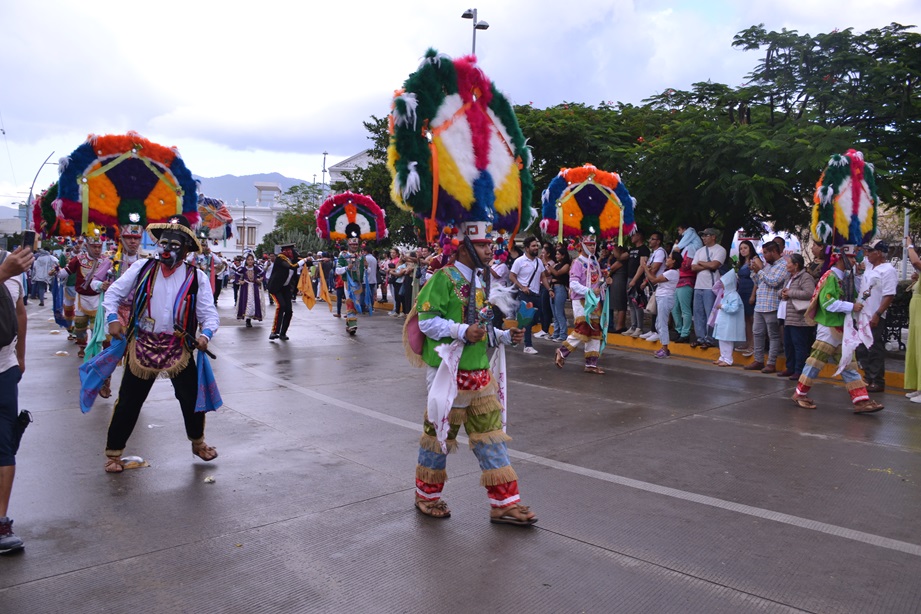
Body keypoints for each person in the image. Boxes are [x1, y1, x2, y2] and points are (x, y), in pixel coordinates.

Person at [410, 221, 535, 526]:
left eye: (490, 244)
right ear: (464, 247)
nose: (490, 250)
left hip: (479, 374)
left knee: (492, 440)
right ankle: (426, 496)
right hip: (447, 373)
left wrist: (504, 337)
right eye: (482, 245)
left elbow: (482, 329)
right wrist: (462, 330)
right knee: (438, 439)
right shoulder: (443, 278)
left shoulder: (481, 281)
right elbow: (426, 321)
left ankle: (505, 504)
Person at [102, 214, 220, 473]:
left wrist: (205, 335)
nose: (166, 249)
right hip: (142, 345)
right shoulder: (141, 268)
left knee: (191, 398)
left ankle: (197, 442)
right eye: (163, 243)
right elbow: (113, 294)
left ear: (186, 250)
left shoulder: (197, 277)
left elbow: (209, 314)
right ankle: (113, 453)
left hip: (179, 347)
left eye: (174, 245)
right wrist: (112, 319)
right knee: (129, 401)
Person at [790, 246, 883, 414]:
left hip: (840, 327)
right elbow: (828, 303)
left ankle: (861, 401)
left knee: (848, 364)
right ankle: (800, 394)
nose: (854, 261)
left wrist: (860, 277)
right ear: (841, 258)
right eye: (851, 258)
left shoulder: (844, 277)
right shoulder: (830, 277)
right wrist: (851, 306)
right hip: (829, 328)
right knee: (815, 363)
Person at [0, 247, 36, 553]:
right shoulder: (7, 267)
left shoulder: (11, 262)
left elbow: (20, 311)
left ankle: (1, 522)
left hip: (4, 370)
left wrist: (20, 357)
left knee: (5, 445)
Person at [555, 233, 607, 373]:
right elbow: (574, 284)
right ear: (582, 246)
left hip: (594, 301)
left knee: (594, 330)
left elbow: (598, 284)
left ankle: (591, 364)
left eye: (593, 244)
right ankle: (562, 351)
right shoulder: (577, 263)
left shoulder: (595, 262)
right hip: (581, 300)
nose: (592, 247)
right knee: (583, 328)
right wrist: (590, 291)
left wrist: (605, 283)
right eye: (589, 245)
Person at [59, 234, 113, 357]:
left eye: (99, 247)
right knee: (80, 326)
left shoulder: (106, 261)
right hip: (81, 299)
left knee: (96, 327)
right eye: (94, 247)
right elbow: (66, 272)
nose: (97, 250)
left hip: (98, 298)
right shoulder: (78, 259)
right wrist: (56, 272)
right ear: (87, 246)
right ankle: (82, 347)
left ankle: (94, 349)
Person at [855, 239, 897, 392]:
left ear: (878, 253)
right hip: (862, 314)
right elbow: (858, 253)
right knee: (861, 348)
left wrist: (878, 314)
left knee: (874, 348)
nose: (867, 253)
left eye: (870, 251)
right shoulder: (869, 266)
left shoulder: (888, 270)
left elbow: (889, 295)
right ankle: (868, 376)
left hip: (874, 315)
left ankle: (877, 380)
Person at [744, 241, 789, 373]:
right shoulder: (768, 266)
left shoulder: (783, 265)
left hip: (772, 305)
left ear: (773, 252)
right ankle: (758, 360)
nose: (763, 256)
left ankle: (771, 363)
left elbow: (774, 282)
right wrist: (754, 272)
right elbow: (759, 282)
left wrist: (760, 271)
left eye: (765, 253)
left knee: (773, 335)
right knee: (757, 333)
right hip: (760, 304)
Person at [776, 253, 816, 380]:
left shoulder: (805, 277)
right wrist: (782, 293)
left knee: (799, 345)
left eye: (789, 263)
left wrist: (790, 293)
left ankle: (799, 370)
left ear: (796, 265)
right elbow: (782, 290)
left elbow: (810, 293)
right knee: (788, 344)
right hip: (788, 316)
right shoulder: (789, 277)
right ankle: (790, 367)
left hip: (799, 318)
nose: (787, 265)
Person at [509, 236, 547, 354]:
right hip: (525, 294)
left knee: (536, 317)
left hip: (537, 294)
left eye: (537, 245)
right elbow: (511, 276)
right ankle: (528, 345)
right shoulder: (519, 261)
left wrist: (549, 289)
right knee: (528, 320)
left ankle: (516, 334)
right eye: (533, 246)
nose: (536, 248)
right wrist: (522, 287)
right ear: (526, 248)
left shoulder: (539, 262)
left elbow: (543, 276)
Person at [690, 228, 726, 349]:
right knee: (698, 313)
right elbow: (693, 267)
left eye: (706, 236)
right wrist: (707, 265)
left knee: (711, 313)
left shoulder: (720, 250)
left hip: (711, 286)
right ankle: (700, 337)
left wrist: (701, 263)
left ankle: (710, 338)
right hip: (698, 286)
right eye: (703, 236)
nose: (704, 238)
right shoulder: (700, 251)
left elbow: (715, 265)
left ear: (713, 237)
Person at [645, 250, 680, 358]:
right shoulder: (669, 272)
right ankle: (663, 347)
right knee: (659, 324)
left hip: (665, 298)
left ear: (674, 261)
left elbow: (654, 280)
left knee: (662, 324)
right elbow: (654, 278)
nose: (667, 259)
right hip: (662, 297)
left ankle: (665, 349)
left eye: (669, 258)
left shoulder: (672, 272)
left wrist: (644, 267)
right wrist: (649, 270)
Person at [712, 269, 746, 367]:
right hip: (724, 322)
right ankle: (722, 357)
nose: (722, 285)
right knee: (722, 339)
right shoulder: (726, 294)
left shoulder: (734, 295)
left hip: (729, 322)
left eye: (723, 283)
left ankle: (728, 359)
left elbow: (734, 308)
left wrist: (722, 306)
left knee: (727, 340)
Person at [639, 231, 667, 343]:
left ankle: (658, 332)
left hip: (659, 283)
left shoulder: (660, 252)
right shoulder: (654, 253)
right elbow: (649, 269)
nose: (650, 241)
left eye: (652, 239)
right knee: (654, 307)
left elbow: (654, 269)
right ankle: (653, 329)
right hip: (652, 283)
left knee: (659, 308)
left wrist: (645, 268)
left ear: (658, 241)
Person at [902, 243, 921, 403]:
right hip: (916, 314)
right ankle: (918, 387)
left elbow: (915, 262)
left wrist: (909, 245)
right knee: (915, 350)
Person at [335, 237, 365, 334]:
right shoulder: (343, 255)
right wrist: (347, 267)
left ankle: (349, 324)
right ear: (349, 245)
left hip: (358, 284)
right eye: (353, 244)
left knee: (356, 304)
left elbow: (366, 271)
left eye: (356, 244)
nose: (355, 246)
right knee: (350, 302)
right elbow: (337, 270)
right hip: (348, 283)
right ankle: (352, 324)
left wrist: (366, 266)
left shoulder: (360, 256)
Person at [267, 244, 297, 341]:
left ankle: (283, 333)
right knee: (281, 306)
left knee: (289, 310)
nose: (291, 252)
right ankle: (274, 331)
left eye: (291, 250)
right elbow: (290, 266)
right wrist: (304, 261)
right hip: (276, 287)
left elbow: (305, 262)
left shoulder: (293, 259)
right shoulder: (280, 258)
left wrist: (320, 260)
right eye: (288, 250)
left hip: (286, 288)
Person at [624, 230, 650, 338]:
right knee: (631, 303)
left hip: (637, 279)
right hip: (629, 277)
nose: (631, 237)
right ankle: (633, 326)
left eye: (633, 235)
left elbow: (642, 265)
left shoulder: (644, 249)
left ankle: (639, 327)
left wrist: (635, 279)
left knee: (637, 303)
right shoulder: (632, 249)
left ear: (639, 236)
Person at [735, 240, 757, 355]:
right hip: (742, 292)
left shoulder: (755, 260)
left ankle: (754, 345)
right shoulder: (742, 262)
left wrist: (753, 294)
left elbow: (758, 278)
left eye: (745, 248)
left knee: (753, 319)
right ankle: (748, 342)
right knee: (746, 319)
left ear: (750, 249)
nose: (743, 250)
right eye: (741, 249)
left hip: (750, 291)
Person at [546, 245, 572, 341]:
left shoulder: (566, 265)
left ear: (563, 255)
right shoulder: (555, 265)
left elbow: (557, 273)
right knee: (555, 313)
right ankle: (556, 333)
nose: (556, 256)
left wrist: (548, 265)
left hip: (560, 288)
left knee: (559, 312)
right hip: (553, 288)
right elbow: (547, 273)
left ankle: (563, 334)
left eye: (558, 254)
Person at [234, 253, 265, 327]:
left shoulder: (256, 268)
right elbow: (236, 274)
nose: (250, 261)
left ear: (253, 260)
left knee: (253, 302)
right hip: (245, 288)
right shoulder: (243, 269)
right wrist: (240, 281)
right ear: (246, 261)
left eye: (251, 260)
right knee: (246, 302)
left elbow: (263, 273)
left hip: (254, 287)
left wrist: (260, 279)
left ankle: (251, 318)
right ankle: (247, 320)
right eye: (248, 260)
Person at [363, 246, 378, 310]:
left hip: (366, 279)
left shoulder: (365, 258)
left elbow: (365, 269)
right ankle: (371, 306)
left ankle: (367, 306)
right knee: (371, 293)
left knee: (366, 294)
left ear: (366, 251)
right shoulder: (374, 259)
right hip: (373, 279)